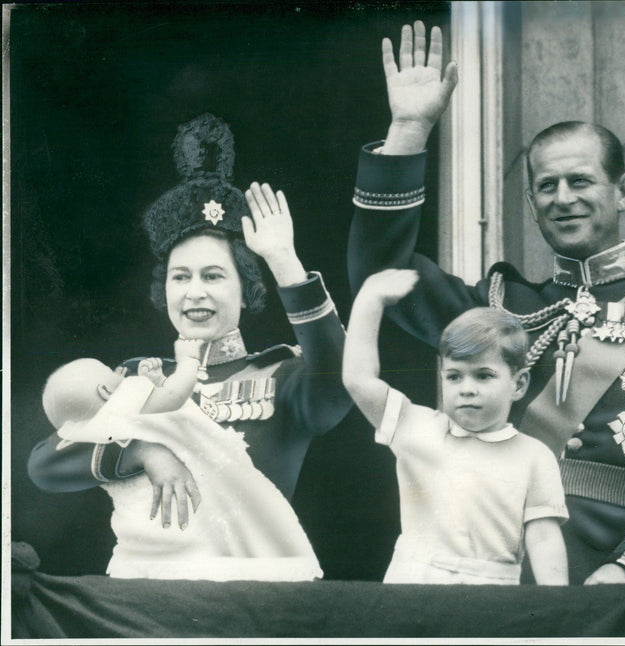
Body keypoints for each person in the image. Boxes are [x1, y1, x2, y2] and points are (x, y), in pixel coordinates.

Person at [347, 22, 625, 585]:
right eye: (547, 187)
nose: (563, 199)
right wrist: (409, 130)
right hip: (490, 565)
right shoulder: (499, 305)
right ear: (531, 202)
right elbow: (380, 277)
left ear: (621, 191)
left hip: (616, 579)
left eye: (580, 182)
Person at [28, 113, 353, 574]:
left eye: (214, 276)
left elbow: (340, 384)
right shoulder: (137, 378)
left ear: (247, 290)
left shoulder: (283, 377)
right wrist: (144, 450)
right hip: (150, 588)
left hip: (252, 591)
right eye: (181, 277)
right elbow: (45, 463)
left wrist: (284, 261)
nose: (194, 292)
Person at [343, 268, 568, 585]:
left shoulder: (534, 456)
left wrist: (558, 613)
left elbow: (544, 537)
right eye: (454, 376)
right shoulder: (418, 428)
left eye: (483, 375)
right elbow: (358, 380)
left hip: (492, 596)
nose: (467, 388)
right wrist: (370, 299)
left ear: (518, 384)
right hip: (413, 589)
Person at [40, 340, 323, 581]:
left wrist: (155, 382)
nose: (119, 371)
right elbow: (173, 398)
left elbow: (154, 407)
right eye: (109, 371)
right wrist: (188, 361)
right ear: (105, 392)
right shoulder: (123, 396)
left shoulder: (85, 430)